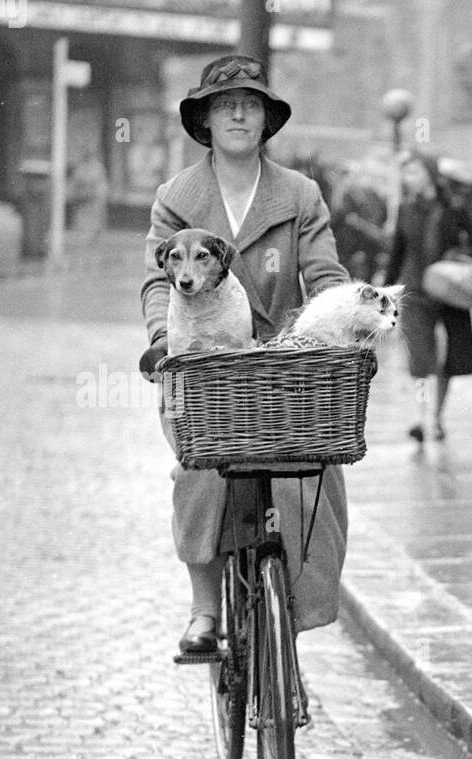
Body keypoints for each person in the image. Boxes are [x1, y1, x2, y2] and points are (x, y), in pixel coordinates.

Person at [139, 54, 350, 657]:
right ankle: (205, 611)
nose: (237, 112)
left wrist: (340, 327)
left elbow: (326, 275)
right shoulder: (176, 197)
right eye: (224, 104)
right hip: (201, 369)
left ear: (266, 120)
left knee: (312, 472)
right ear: (204, 119)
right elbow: (158, 280)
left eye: (251, 103)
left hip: (280, 372)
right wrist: (162, 340)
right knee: (200, 467)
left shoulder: (300, 194)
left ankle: (294, 618)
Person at [385, 149, 472, 443]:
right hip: (417, 292)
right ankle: (420, 419)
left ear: (429, 173)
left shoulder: (454, 207)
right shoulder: (404, 209)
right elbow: (396, 255)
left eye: (413, 171)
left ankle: (437, 417)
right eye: (405, 172)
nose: (407, 178)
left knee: (450, 359)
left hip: (451, 291)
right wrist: (384, 293)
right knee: (420, 359)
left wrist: (459, 256)